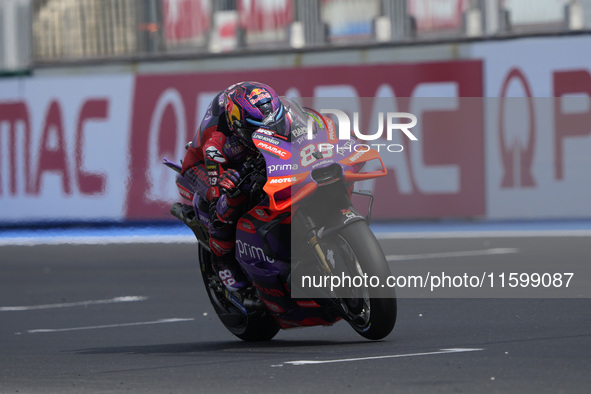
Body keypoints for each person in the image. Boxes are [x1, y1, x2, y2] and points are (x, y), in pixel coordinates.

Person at [180, 81, 286, 292]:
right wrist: (227, 184)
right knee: (229, 194)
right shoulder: (216, 143)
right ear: (238, 127)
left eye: (274, 126)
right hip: (203, 165)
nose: (269, 133)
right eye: (257, 130)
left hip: (245, 145)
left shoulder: (272, 110)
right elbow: (219, 186)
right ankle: (223, 260)